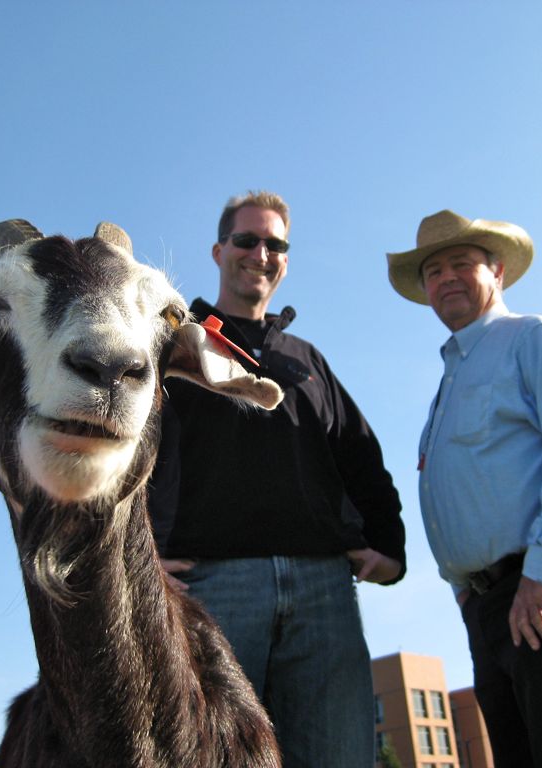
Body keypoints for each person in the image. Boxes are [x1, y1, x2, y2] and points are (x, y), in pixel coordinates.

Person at [149, 190, 406, 768]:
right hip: (212, 590)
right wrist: (140, 555)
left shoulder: (308, 361)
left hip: (324, 593)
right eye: (247, 240)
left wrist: (389, 547)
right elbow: (127, 458)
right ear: (219, 250)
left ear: (285, 261)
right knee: (209, 756)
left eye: (275, 244)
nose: (260, 253)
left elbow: (360, 454)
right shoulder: (173, 344)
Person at [387, 209, 542, 768]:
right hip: (492, 601)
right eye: (433, 270)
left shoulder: (536, 339)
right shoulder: (446, 386)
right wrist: (464, 589)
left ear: (496, 271)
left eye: (461, 263)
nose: (445, 277)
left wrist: (540, 575)